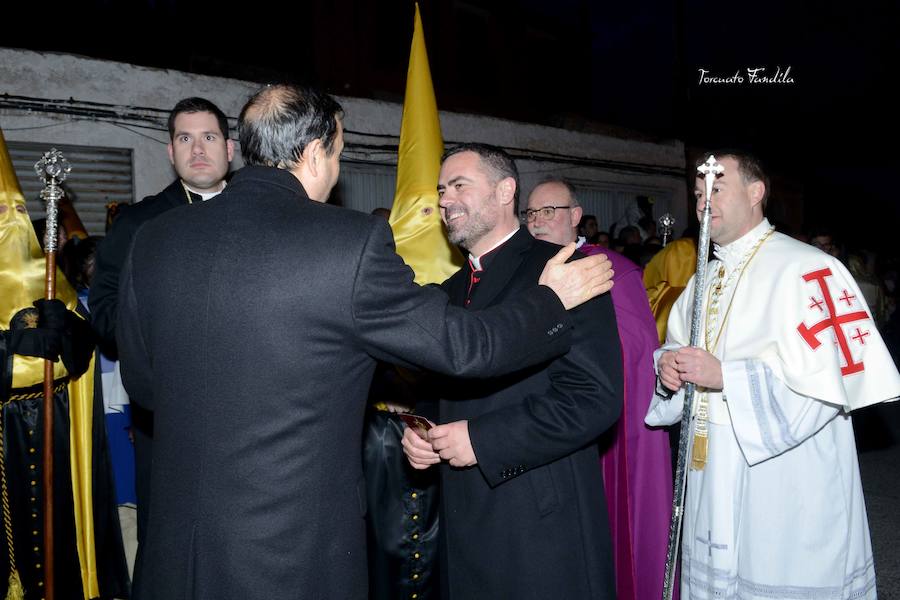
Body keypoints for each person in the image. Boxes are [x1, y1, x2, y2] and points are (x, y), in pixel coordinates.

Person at [115, 84, 613, 600]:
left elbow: (145, 386)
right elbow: (465, 349)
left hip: (174, 543)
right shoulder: (345, 243)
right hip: (289, 548)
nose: (337, 171)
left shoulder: (153, 239)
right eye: (338, 153)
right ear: (313, 153)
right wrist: (551, 301)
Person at [647, 150, 900, 599]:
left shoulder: (807, 269)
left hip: (785, 471)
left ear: (756, 191)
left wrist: (728, 377)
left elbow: (828, 385)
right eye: (699, 193)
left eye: (718, 190)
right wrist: (668, 368)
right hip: (713, 464)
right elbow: (677, 347)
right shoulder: (703, 279)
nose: (705, 202)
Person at [402, 144, 623, 599]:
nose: (445, 200)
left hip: (538, 521)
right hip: (465, 519)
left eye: (460, 185)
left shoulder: (562, 268)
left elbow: (593, 398)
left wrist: (482, 440)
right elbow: (441, 381)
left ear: (506, 191)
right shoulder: (449, 289)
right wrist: (424, 431)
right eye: (442, 190)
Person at [89, 96, 234, 579]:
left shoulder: (259, 216)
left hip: (251, 417)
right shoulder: (138, 223)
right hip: (168, 414)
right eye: (184, 139)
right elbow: (106, 317)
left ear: (230, 149)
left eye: (209, 137)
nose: (198, 149)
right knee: (171, 547)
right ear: (170, 153)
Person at [525, 176, 671, 600]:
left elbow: (635, 352)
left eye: (549, 211)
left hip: (597, 418)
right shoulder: (524, 270)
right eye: (531, 213)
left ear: (575, 217)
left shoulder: (608, 269)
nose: (537, 222)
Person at [1, 129, 129, 599]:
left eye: (16, 212)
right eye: (0, 213)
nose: (10, 223)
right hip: (3, 439)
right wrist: (11, 348)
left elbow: (87, 356)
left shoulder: (55, 285)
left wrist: (69, 332)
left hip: (54, 433)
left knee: (58, 542)